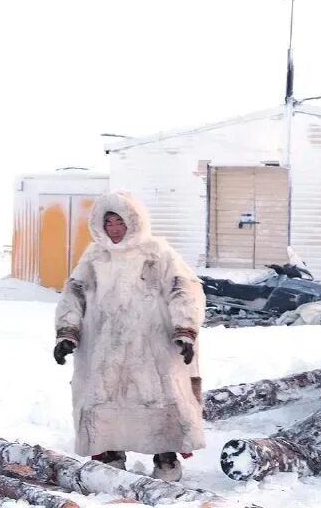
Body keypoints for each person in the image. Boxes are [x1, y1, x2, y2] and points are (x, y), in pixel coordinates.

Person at [53, 192, 206, 481]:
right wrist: (67, 332)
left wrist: (185, 329)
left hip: (152, 345)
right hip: (104, 347)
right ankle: (111, 454)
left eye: (119, 221)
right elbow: (74, 293)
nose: (113, 228)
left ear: (134, 222)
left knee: (159, 397)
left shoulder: (157, 252)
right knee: (105, 397)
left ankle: (165, 457)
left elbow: (183, 289)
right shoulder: (95, 256)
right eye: (108, 222)